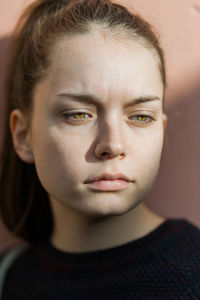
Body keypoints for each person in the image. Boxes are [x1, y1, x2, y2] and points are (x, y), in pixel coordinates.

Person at [0, 0, 199, 298]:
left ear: (162, 129)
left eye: (141, 116)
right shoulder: (10, 275)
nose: (113, 145)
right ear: (23, 135)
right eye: (79, 114)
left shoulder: (191, 276)